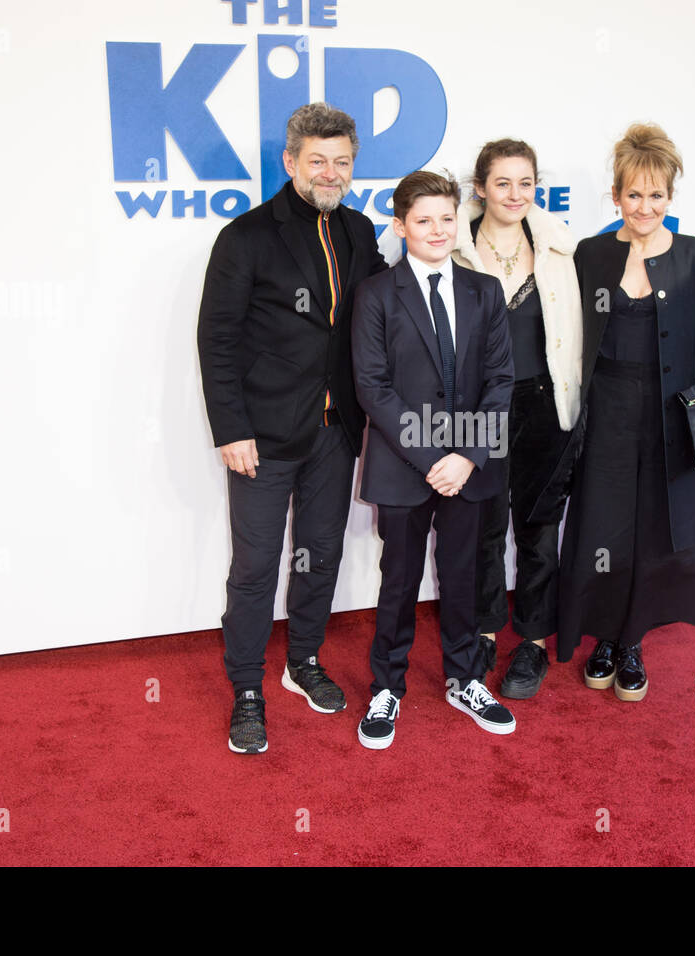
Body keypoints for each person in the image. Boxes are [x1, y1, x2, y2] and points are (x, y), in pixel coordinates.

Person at [197, 103, 387, 754]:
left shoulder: (361, 233)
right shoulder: (246, 237)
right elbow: (217, 339)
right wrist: (231, 427)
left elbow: (382, 318)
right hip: (263, 436)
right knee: (254, 568)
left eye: (342, 163)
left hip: (336, 431)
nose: (330, 174)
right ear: (291, 162)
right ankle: (247, 686)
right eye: (317, 162)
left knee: (321, 554)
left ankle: (302, 659)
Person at [558, 122, 695, 701]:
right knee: (603, 525)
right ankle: (605, 637)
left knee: (657, 528)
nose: (645, 206)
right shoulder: (589, 254)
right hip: (608, 413)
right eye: (633, 194)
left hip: (672, 416)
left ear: (671, 196)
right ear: (615, 196)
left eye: (656, 194)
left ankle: (633, 640)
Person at [351, 170, 517, 749]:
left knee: (464, 576)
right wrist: (431, 457)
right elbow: (373, 388)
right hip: (405, 464)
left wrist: (467, 456)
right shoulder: (376, 294)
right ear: (400, 226)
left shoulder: (484, 291)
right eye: (423, 220)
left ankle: (466, 677)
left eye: (447, 217)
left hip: (470, 467)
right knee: (399, 579)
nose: (437, 229)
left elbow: (501, 380)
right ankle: (386, 685)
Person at [450, 139, 584, 699]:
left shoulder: (561, 247)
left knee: (538, 528)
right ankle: (481, 630)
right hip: (476, 411)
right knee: (482, 530)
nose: (515, 194)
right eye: (502, 183)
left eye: (525, 182)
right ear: (480, 188)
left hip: (546, 406)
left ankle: (531, 641)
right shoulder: (451, 246)